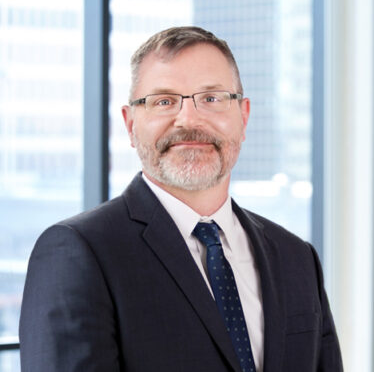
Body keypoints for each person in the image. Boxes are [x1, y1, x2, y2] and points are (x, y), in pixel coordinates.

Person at [19, 26, 343, 372]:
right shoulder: (78, 253)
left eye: (212, 98)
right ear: (130, 125)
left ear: (243, 117)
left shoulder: (296, 258)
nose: (189, 119)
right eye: (164, 101)